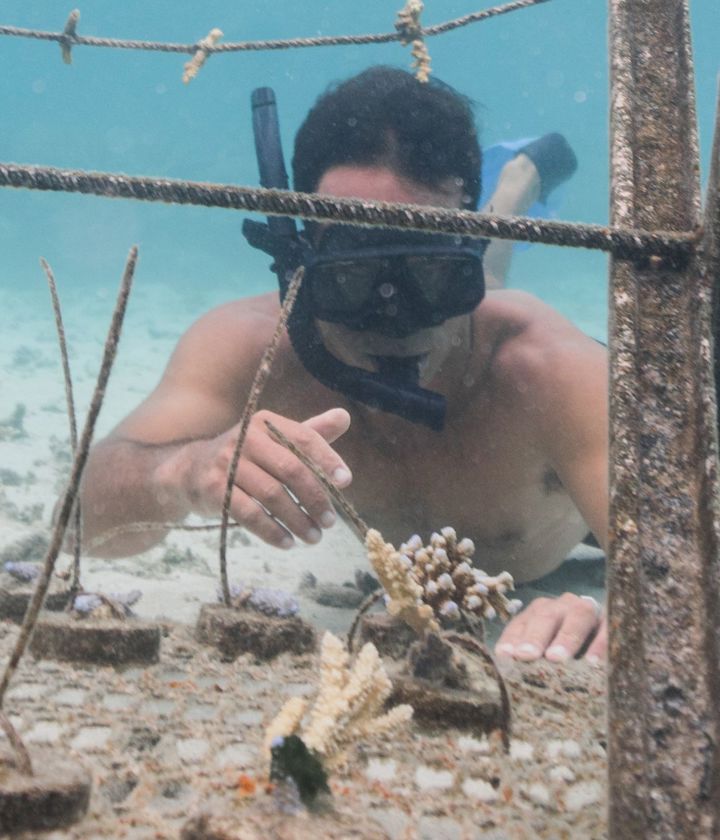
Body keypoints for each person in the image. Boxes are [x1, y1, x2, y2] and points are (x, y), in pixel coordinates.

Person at [76, 67, 607, 663]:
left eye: (432, 271)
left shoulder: (545, 370)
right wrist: (181, 470)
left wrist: (618, 608)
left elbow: (674, 562)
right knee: (468, 283)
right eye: (353, 273)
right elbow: (84, 526)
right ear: (298, 262)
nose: (395, 320)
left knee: (491, 287)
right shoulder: (253, 350)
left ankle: (516, 186)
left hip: (557, 538)